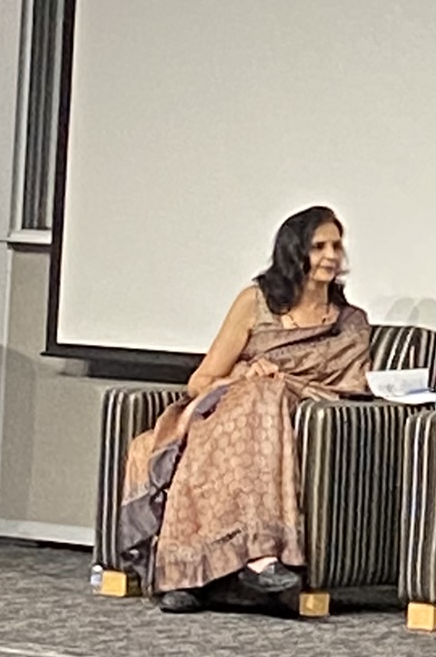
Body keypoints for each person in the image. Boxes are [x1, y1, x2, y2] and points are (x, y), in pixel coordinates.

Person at [124, 206, 371, 613]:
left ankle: (206, 573)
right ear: (295, 253)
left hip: (294, 417)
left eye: (336, 246)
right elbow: (200, 381)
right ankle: (224, 566)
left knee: (269, 396)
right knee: (258, 394)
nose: (331, 255)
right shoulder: (255, 303)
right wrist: (245, 374)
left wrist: (280, 384)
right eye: (319, 246)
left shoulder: (350, 324)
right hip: (228, 412)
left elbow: (348, 390)